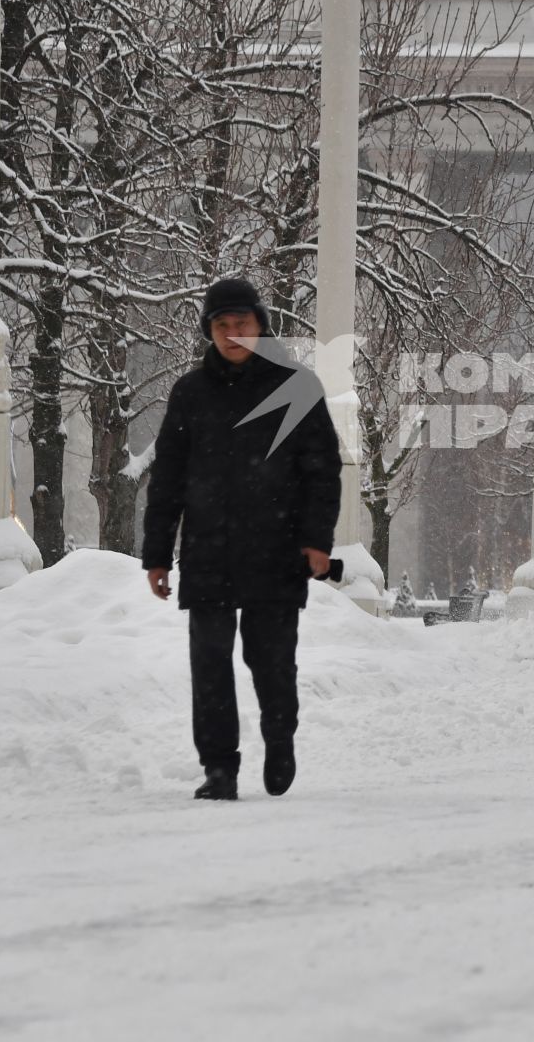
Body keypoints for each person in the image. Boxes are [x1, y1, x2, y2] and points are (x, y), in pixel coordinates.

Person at [142, 277, 341, 802]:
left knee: (269, 659)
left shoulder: (297, 386)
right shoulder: (190, 394)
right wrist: (158, 553)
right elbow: (168, 477)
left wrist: (317, 541)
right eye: (222, 325)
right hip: (208, 550)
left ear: (261, 325)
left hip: (277, 551)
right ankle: (218, 769)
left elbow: (323, 473)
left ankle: (279, 739)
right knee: (209, 663)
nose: (233, 334)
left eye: (243, 324)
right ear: (209, 331)